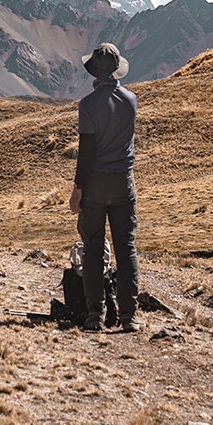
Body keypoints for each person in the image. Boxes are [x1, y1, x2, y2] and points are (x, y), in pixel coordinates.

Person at [69, 43, 141, 332]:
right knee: (126, 249)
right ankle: (129, 317)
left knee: (93, 248)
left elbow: (86, 152)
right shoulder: (131, 100)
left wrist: (78, 189)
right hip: (124, 181)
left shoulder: (87, 105)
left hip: (96, 184)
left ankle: (95, 316)